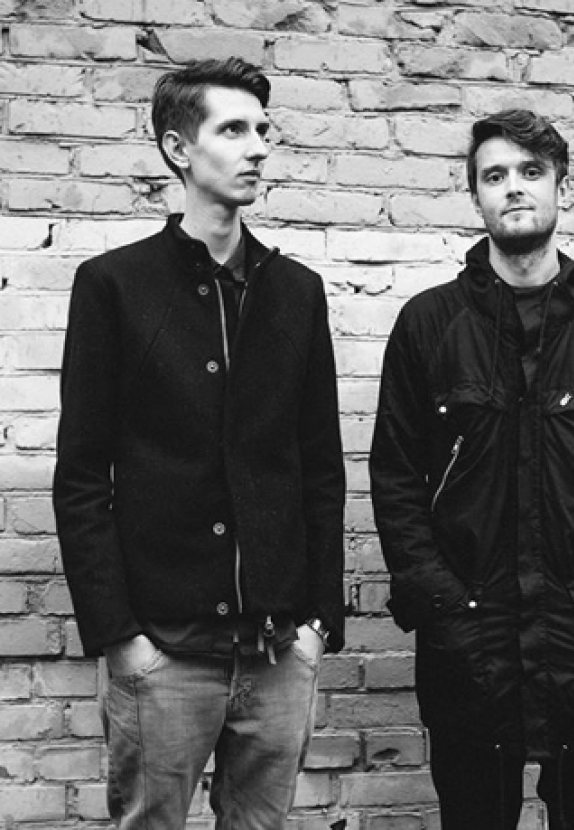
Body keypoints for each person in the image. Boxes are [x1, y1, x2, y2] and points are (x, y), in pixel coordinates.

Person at [53, 57, 345, 830]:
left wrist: (318, 624)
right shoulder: (114, 285)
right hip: (164, 651)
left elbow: (321, 467)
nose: (259, 148)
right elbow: (81, 475)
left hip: (279, 652)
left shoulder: (296, 292)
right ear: (179, 149)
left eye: (264, 130)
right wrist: (121, 638)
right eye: (234, 129)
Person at [369, 109, 574, 830]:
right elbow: (397, 476)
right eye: (494, 175)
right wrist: (443, 602)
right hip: (471, 648)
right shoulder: (428, 325)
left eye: (531, 172)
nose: (514, 188)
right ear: (474, 194)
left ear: (562, 186)